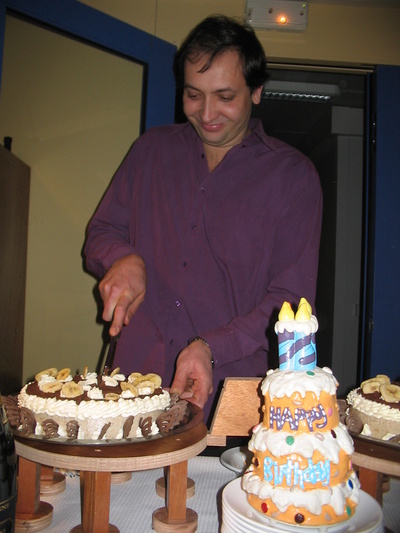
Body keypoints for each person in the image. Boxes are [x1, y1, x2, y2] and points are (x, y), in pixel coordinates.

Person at [84, 15, 322, 424]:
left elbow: (290, 302)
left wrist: (211, 346)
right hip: (133, 388)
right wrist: (122, 258)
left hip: (229, 398)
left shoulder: (293, 177)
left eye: (225, 96)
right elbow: (102, 232)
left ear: (257, 91)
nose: (207, 113)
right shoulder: (149, 152)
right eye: (194, 95)